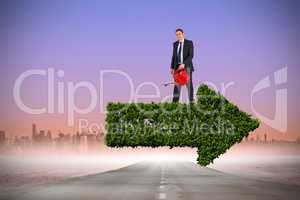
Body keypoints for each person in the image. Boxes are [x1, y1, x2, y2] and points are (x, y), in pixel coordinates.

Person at [170, 28, 194, 103]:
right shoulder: (175, 44)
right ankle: (174, 104)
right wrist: (172, 67)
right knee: (177, 85)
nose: (178, 36)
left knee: (189, 84)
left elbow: (191, 55)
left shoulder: (189, 43)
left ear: (183, 34)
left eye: (179, 34)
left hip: (187, 67)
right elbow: (173, 56)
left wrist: (184, 64)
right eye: (177, 34)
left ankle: (191, 102)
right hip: (177, 68)